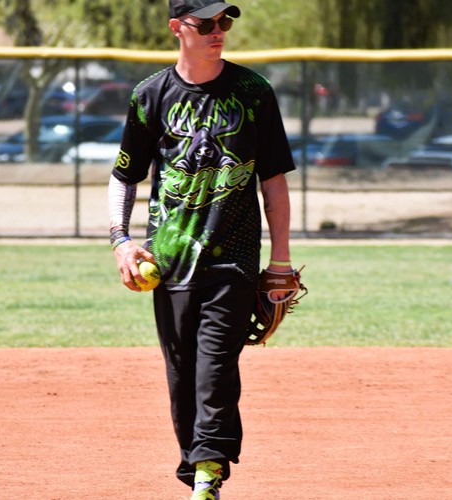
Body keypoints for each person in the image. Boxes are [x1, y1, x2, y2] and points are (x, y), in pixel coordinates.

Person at [108, 0, 295, 497]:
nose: (219, 31)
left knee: (215, 366)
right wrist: (121, 241)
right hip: (169, 260)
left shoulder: (253, 92)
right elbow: (124, 176)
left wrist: (279, 260)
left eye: (225, 21)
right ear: (178, 28)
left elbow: (273, 181)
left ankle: (209, 471)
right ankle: (195, 466)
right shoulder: (150, 95)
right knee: (182, 372)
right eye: (207, 23)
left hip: (234, 257)